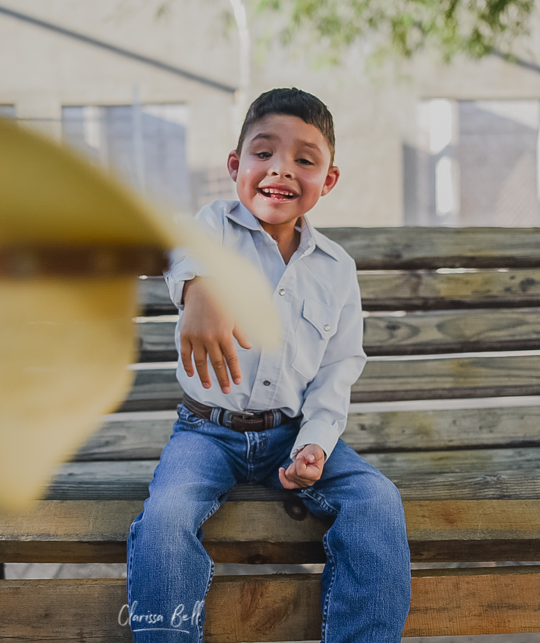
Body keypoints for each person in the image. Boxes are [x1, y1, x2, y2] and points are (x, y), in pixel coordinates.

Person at [125, 88, 411, 643]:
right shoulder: (214, 227)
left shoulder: (335, 269)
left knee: (378, 501)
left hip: (292, 432)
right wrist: (202, 290)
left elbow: (339, 367)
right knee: (164, 521)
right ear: (235, 165)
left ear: (327, 180)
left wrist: (317, 443)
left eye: (305, 159)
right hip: (206, 433)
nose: (281, 169)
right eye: (263, 153)